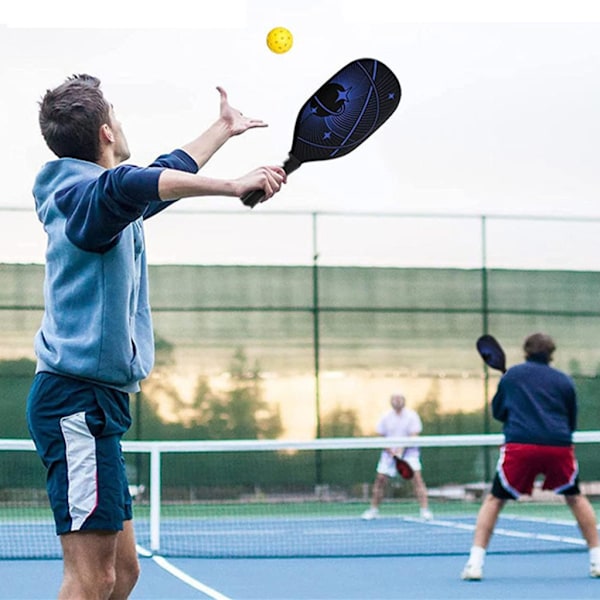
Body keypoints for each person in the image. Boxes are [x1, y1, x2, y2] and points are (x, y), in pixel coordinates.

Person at [25, 74, 286, 600]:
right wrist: (234, 185)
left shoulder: (99, 198)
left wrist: (221, 130)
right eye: (116, 116)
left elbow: (156, 176)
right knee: (90, 578)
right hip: (74, 402)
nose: (121, 124)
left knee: (123, 574)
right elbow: (132, 183)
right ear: (105, 132)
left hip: (97, 402)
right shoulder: (86, 200)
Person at [461, 332, 600, 581]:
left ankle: (474, 564)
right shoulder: (564, 381)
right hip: (558, 445)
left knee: (494, 500)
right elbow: (571, 420)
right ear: (552, 354)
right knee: (576, 498)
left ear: (526, 352)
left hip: (521, 445)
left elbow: (499, 412)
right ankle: (597, 560)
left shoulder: (511, 376)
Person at [361, 392, 433, 521]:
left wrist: (402, 449)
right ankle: (373, 510)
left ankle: (425, 510)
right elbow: (381, 436)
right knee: (380, 480)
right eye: (395, 399)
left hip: (409, 454)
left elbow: (414, 434)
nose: (397, 401)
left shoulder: (412, 416)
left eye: (400, 399)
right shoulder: (385, 416)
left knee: (417, 479)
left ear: (404, 401)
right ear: (391, 401)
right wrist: (392, 452)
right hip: (389, 455)